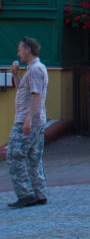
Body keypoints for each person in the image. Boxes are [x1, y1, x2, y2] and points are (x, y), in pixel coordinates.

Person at [7, 37, 49, 208]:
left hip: (27, 121)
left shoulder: (35, 70)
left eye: (20, 49)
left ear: (27, 50)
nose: (18, 53)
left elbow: (35, 95)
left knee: (14, 155)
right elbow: (25, 92)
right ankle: (40, 193)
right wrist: (16, 75)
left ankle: (25, 194)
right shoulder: (34, 69)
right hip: (35, 120)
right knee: (34, 157)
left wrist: (27, 121)